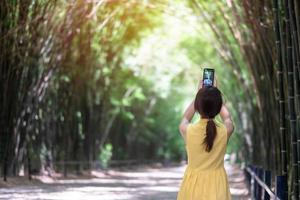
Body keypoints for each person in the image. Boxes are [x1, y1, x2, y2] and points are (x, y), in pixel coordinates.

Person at [177, 78, 234, 200]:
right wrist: (215, 94)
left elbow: (185, 119)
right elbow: (228, 119)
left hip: (192, 186)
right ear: (218, 108)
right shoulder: (225, 131)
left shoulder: (188, 130)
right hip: (217, 186)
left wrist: (199, 94)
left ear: (197, 107)